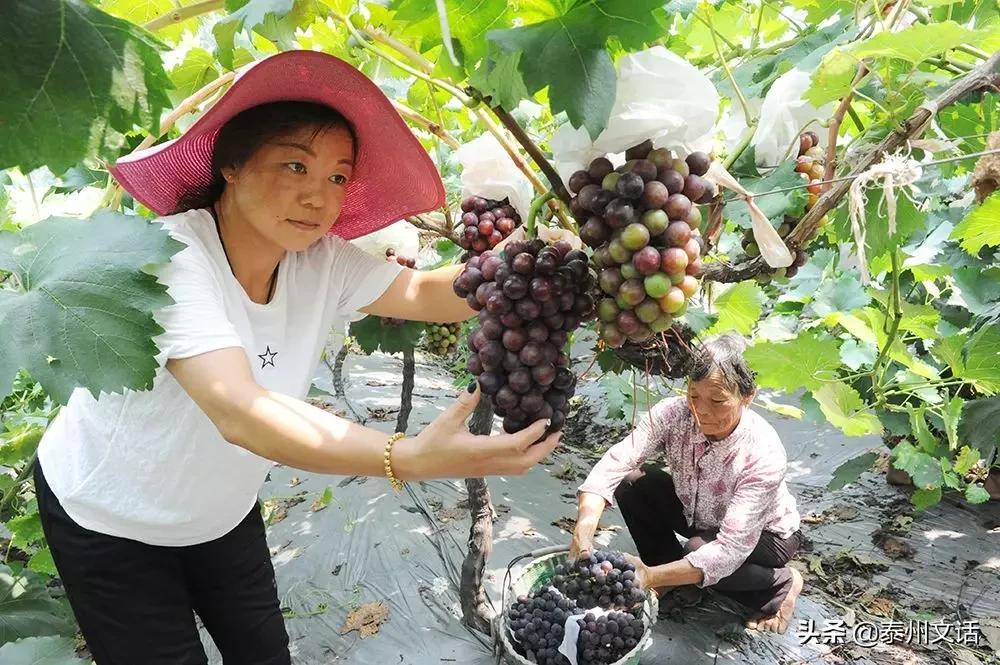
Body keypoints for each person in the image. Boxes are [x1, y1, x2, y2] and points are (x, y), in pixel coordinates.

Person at [34, 51, 560, 665]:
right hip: (112, 519)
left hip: (220, 510)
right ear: (230, 164)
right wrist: (407, 456)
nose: (319, 196)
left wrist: (538, 256)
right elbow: (240, 410)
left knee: (264, 653)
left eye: (338, 177)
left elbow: (427, 293)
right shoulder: (174, 257)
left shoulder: (320, 259)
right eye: (294, 164)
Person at [569, 334, 804, 633]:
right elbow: (619, 459)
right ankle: (668, 571)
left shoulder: (763, 454)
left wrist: (650, 577)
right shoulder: (673, 414)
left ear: (748, 396)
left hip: (766, 536)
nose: (701, 410)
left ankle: (782, 583)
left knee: (699, 551)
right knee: (632, 482)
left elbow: (730, 549)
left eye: (717, 400)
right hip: (698, 511)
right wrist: (584, 530)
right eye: (694, 395)